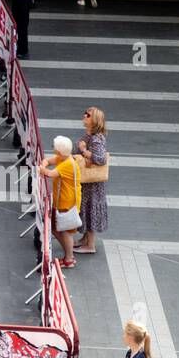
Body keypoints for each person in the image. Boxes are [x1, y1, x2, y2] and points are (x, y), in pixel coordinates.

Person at [38, 136, 81, 268]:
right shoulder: (64, 158)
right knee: (56, 229)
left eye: (54, 148)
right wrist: (43, 164)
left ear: (59, 152)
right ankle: (68, 254)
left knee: (65, 232)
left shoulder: (67, 164)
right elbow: (47, 161)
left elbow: (49, 173)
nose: (53, 150)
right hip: (62, 201)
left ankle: (69, 258)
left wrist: (41, 168)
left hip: (67, 203)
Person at [74, 107, 108, 254]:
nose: (84, 115)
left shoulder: (96, 139)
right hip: (88, 183)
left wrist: (83, 151)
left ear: (94, 120)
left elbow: (101, 159)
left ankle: (90, 245)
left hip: (92, 184)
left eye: (87, 115)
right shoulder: (90, 135)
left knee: (90, 209)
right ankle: (85, 239)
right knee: (85, 208)